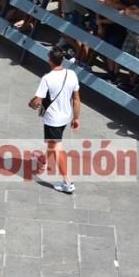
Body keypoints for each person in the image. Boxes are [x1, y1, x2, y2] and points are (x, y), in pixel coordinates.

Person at [28, 46, 82, 193]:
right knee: (53, 143)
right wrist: (76, 118)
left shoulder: (47, 78)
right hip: (66, 116)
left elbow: (37, 101)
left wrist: (31, 103)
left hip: (53, 120)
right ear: (63, 59)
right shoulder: (71, 74)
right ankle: (43, 161)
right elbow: (76, 100)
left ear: (49, 60)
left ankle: (68, 182)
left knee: (58, 148)